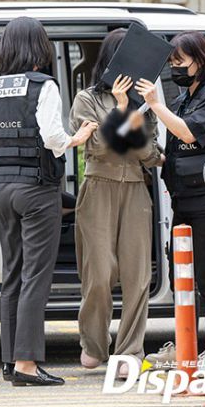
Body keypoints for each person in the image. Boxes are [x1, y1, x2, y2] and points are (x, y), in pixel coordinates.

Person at [0, 16, 97, 386]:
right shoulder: (44, 86)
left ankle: (10, 361)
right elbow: (53, 138)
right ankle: (26, 364)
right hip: (37, 190)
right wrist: (78, 137)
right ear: (40, 48)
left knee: (12, 274)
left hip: (2, 190)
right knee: (36, 276)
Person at [135, 31, 205, 371]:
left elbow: (190, 133)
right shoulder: (184, 99)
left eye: (181, 62)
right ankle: (186, 346)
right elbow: (177, 149)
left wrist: (156, 104)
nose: (175, 68)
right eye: (172, 62)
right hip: (183, 202)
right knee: (182, 279)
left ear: (201, 62)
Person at [70, 29, 163, 378]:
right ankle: (94, 344)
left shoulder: (145, 104)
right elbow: (96, 146)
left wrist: (132, 112)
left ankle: (130, 350)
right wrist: (122, 111)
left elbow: (149, 153)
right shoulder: (87, 99)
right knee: (98, 273)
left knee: (138, 275)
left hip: (136, 189)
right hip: (98, 188)